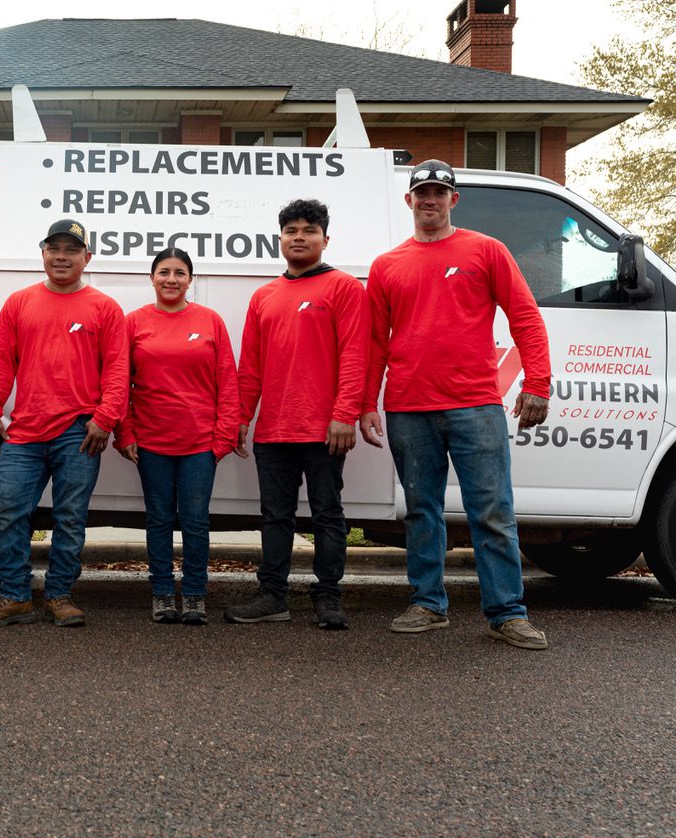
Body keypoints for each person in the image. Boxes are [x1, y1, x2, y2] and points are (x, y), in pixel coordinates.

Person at [359, 159, 552, 650]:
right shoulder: (386, 266)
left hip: (476, 405)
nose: (429, 200)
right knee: (421, 511)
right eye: (421, 192)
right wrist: (366, 402)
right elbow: (373, 342)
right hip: (409, 407)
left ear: (453, 200)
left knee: (491, 511)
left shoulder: (486, 250)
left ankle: (507, 612)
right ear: (409, 201)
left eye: (438, 193)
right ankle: (428, 603)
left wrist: (539, 383)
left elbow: (525, 317)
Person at [0, 219, 129, 628]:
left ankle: (59, 595)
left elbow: (117, 370)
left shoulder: (105, 308)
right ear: (43, 253)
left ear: (87, 258)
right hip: (24, 432)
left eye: (72, 249)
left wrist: (104, 419)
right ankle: (15, 597)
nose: (62, 256)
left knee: (70, 517)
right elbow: (1, 362)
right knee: (9, 513)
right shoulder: (19, 303)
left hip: (78, 433)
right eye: (54, 248)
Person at [226, 199, 370, 630]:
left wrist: (344, 413)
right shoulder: (264, 296)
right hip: (273, 429)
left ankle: (328, 597)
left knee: (328, 514)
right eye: (291, 230)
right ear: (281, 239)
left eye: (309, 230)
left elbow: (355, 355)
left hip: (326, 429)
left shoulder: (344, 288)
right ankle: (272, 595)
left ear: (326, 239)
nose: (299, 237)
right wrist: (240, 417)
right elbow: (249, 365)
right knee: (275, 517)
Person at [114, 247, 239, 625]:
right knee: (159, 520)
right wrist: (125, 433)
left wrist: (223, 439)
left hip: (200, 444)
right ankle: (163, 593)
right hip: (152, 443)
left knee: (196, 521)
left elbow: (227, 383)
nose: (171, 279)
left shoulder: (210, 320)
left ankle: (197, 594)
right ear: (151, 278)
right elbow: (120, 382)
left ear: (190, 279)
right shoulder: (133, 322)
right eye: (164, 272)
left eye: (179, 272)